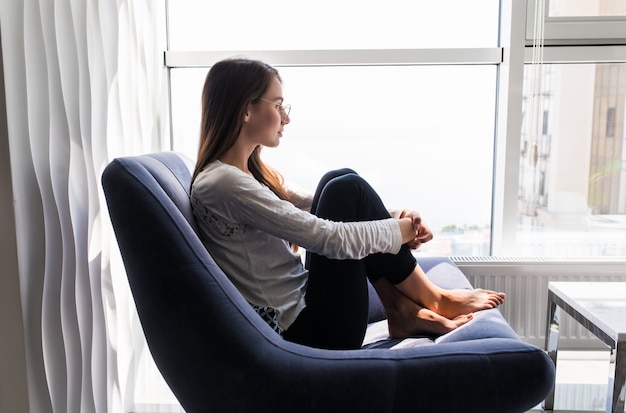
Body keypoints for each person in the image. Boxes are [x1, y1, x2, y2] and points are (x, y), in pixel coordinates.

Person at [190, 58, 505, 350]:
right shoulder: (224, 184)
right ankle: (435, 299)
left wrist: (397, 218)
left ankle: (401, 310)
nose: (286, 117)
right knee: (346, 186)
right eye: (278, 105)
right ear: (247, 110)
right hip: (308, 332)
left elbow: (325, 205)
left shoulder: (245, 175)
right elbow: (326, 237)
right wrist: (400, 231)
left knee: (338, 180)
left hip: (309, 309)